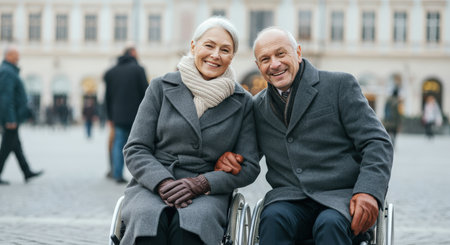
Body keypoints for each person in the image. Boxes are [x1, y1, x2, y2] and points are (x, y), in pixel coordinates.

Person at [118, 17, 260, 245]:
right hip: (152, 184)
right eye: (209, 45)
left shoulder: (242, 101)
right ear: (194, 46)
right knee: (148, 221)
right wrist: (162, 182)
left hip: (207, 191)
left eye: (225, 50)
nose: (216, 55)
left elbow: (250, 166)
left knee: (192, 227)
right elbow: (136, 148)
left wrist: (202, 183)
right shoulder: (161, 87)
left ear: (231, 57)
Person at [251, 27, 393, 245]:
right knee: (272, 219)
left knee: (329, 224)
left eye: (281, 54)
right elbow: (247, 155)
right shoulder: (257, 106)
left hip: (341, 198)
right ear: (258, 66)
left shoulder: (339, 85)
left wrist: (369, 191)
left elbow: (377, 142)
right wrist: (230, 160)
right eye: (265, 59)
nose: (274, 64)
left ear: (298, 52)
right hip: (289, 199)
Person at [104, 45, 148, 183]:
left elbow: (107, 97)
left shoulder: (111, 72)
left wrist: (109, 117)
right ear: (133, 55)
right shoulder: (138, 70)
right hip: (137, 116)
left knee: (118, 144)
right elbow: (146, 94)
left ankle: (117, 174)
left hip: (117, 116)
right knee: (139, 146)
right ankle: (140, 176)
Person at [0, 46, 44, 185]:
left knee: (15, 145)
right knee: (7, 147)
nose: (18, 58)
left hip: (14, 117)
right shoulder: (8, 72)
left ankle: (26, 171)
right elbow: (7, 98)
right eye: (15, 55)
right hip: (11, 119)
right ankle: (25, 171)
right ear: (8, 56)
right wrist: (10, 119)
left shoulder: (9, 71)